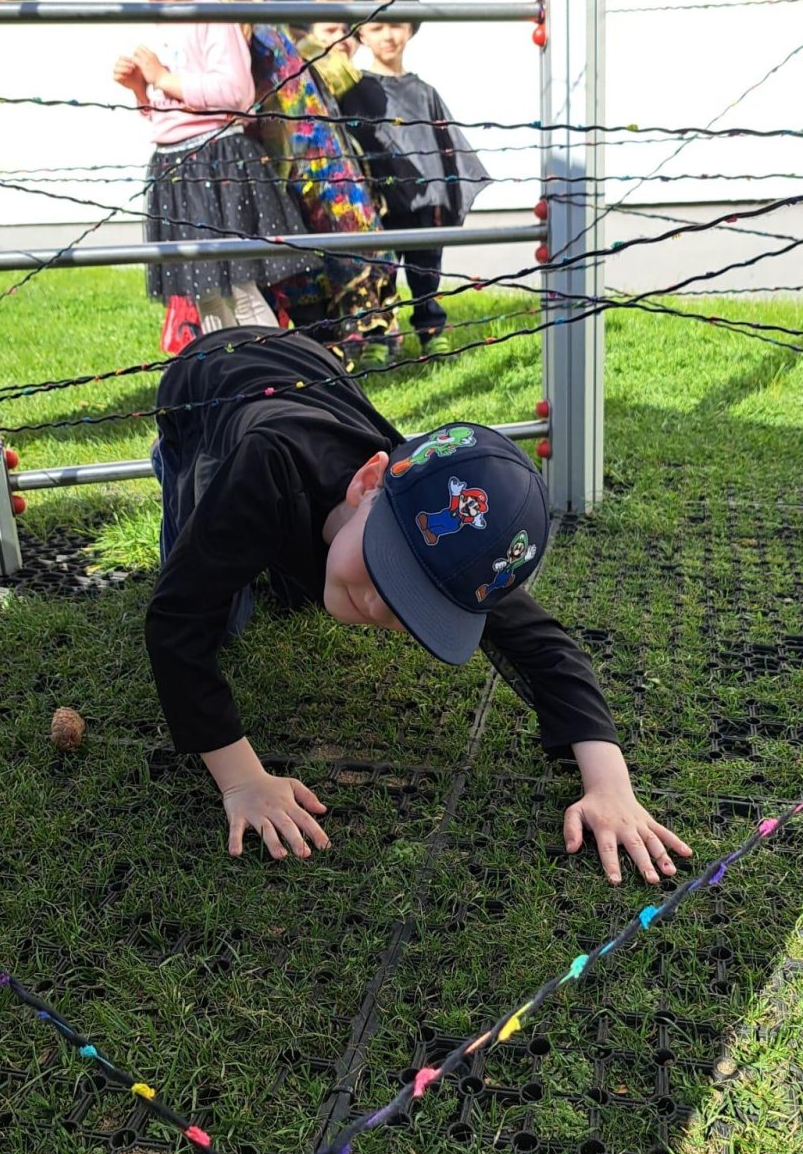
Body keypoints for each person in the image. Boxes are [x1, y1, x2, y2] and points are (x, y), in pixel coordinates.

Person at [146, 327, 691, 884]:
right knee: (218, 603)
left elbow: (547, 649)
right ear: (368, 481)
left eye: (412, 599)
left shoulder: (452, 540)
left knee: (297, 581)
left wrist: (609, 786)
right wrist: (244, 781)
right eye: (386, 565)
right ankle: (171, 460)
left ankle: (300, 554)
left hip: (308, 379)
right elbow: (176, 622)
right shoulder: (266, 466)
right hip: (207, 385)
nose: (375, 603)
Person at [108, 0, 311, 355]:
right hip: (177, 168)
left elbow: (235, 94)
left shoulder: (210, 15)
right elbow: (169, 113)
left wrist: (163, 78)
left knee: (240, 285)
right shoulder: (162, 21)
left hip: (216, 163)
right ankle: (232, 372)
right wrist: (141, 90)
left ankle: (276, 368)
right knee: (204, 293)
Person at [198, 0, 399, 369]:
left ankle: (331, 351)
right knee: (329, 252)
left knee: (304, 259)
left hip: (290, 164)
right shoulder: (269, 20)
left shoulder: (238, 22)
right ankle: (340, 347)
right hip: (322, 160)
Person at [340, 0, 489, 356]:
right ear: (362, 33)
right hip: (380, 206)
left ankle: (431, 329)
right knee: (379, 273)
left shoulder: (424, 93)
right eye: (377, 26)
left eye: (396, 24)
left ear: (410, 28)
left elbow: (445, 147)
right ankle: (378, 337)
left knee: (426, 273)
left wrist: (443, 195)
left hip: (424, 207)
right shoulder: (354, 91)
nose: (388, 35)